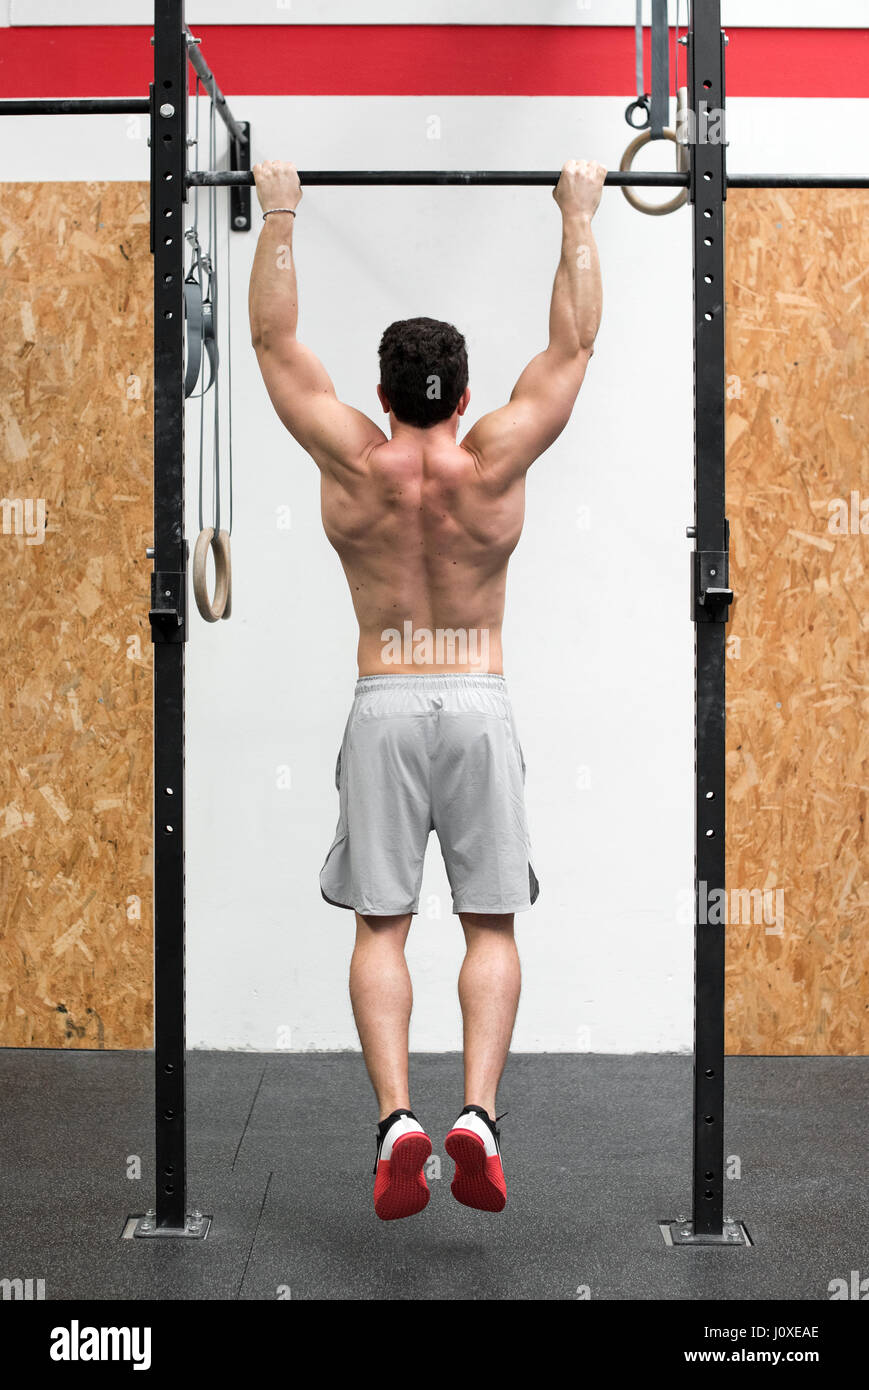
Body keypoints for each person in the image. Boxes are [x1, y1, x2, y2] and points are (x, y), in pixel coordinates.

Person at [249, 158, 605, 1219]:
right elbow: (573, 344)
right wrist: (576, 214)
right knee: (490, 924)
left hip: (383, 701)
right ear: (460, 388)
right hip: (477, 695)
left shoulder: (352, 459)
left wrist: (279, 211)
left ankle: (397, 1118)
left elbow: (271, 343)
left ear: (383, 387)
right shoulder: (492, 458)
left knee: (380, 928)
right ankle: (478, 1116)